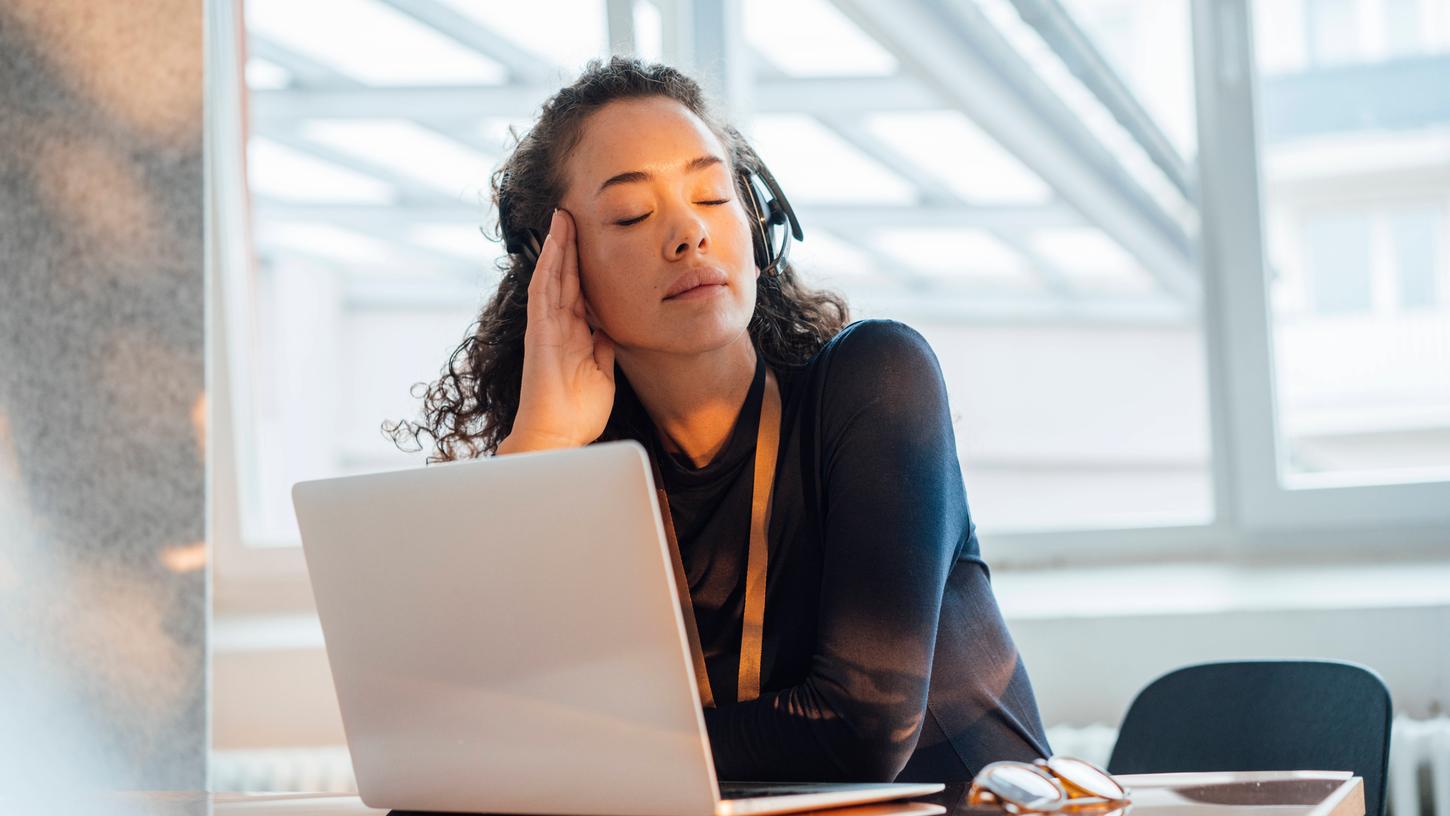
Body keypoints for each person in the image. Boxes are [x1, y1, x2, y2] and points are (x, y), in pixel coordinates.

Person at [388, 56, 1050, 782]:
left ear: (759, 228)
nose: (688, 235)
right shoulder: (588, 470)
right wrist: (540, 444)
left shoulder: (878, 381)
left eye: (710, 195)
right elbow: (455, 735)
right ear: (559, 269)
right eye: (632, 214)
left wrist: (573, 754)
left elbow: (862, 730)